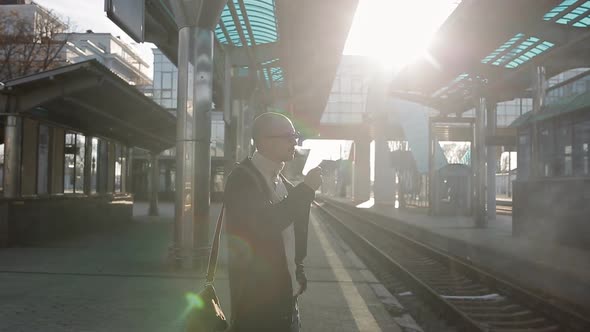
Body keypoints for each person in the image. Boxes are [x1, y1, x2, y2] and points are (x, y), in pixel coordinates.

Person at [224, 112, 322, 332]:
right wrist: (306, 190)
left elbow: (290, 234)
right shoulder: (242, 179)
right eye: (288, 136)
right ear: (264, 141)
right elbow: (264, 225)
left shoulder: (281, 181)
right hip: (257, 305)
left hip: (287, 300)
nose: (294, 141)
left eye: (294, 135)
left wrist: (298, 268)